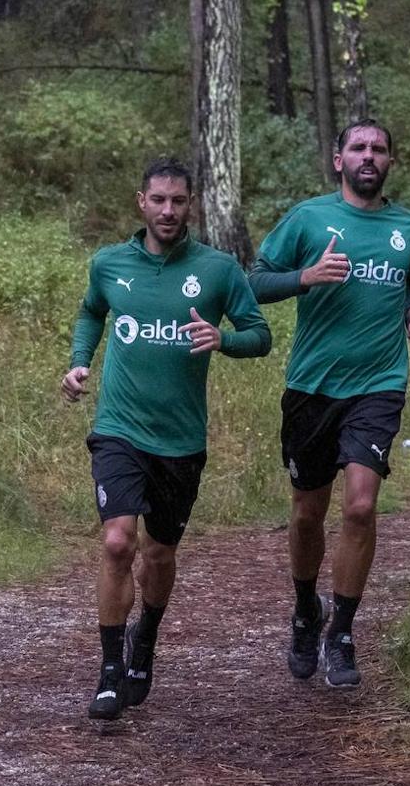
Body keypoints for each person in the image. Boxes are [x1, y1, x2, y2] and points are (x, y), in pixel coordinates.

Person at [62, 158, 271, 721]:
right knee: (116, 543)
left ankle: (145, 637)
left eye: (178, 202)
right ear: (141, 202)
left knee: (158, 553)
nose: (168, 211)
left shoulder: (219, 269)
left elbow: (261, 336)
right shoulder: (109, 264)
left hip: (180, 441)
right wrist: (80, 363)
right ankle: (108, 672)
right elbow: (90, 314)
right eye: (158, 200)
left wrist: (222, 338)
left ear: (191, 204)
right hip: (118, 431)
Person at [248, 120, 410, 689]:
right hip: (312, 387)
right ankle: (307, 610)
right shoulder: (309, 219)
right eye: (359, 148)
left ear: (390, 162)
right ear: (338, 160)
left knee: (358, 507)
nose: (369, 156)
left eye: (379, 148)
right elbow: (250, 283)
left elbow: (409, 282)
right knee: (307, 511)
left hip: (378, 383)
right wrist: (305, 277)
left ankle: (343, 630)